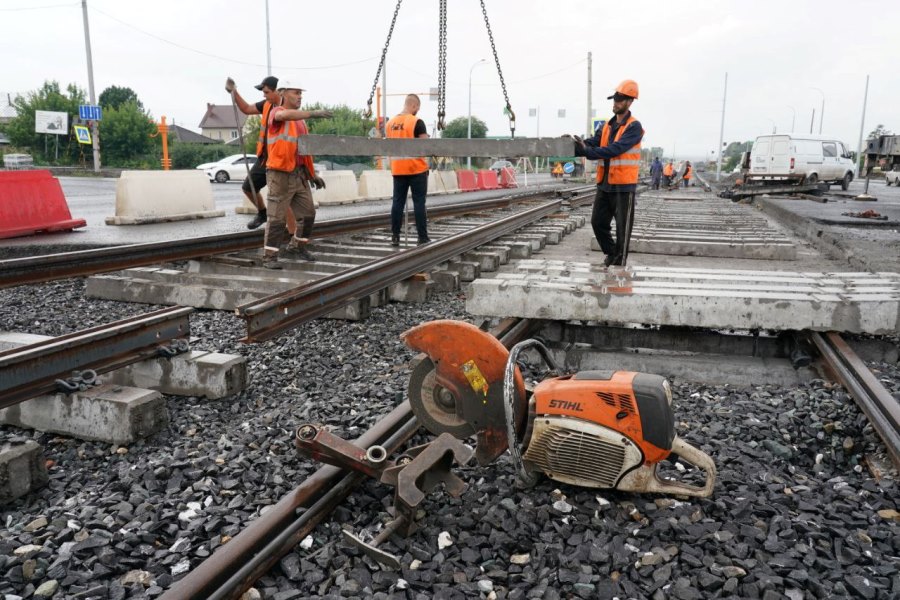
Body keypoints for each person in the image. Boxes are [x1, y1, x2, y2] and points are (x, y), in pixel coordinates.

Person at [261, 79, 332, 268]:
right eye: (296, 92)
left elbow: (303, 152)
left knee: (308, 214)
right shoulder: (276, 112)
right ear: (283, 93)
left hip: (299, 174)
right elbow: (285, 116)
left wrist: (312, 174)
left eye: (301, 93)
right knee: (277, 218)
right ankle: (270, 257)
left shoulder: (300, 122)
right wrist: (313, 113)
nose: (300, 96)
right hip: (280, 174)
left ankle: (296, 247)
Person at [573, 79, 644, 267]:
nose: (616, 102)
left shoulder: (634, 127)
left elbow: (615, 149)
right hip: (605, 185)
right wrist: (577, 145)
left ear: (630, 102)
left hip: (623, 186)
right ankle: (611, 253)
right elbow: (593, 142)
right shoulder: (606, 126)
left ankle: (619, 263)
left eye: (620, 99)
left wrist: (587, 152)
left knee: (623, 229)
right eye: (615, 99)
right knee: (597, 223)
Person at [225, 75, 281, 230]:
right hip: (265, 158)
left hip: (281, 159)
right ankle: (263, 213)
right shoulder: (266, 105)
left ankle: (291, 235)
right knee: (248, 187)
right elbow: (246, 109)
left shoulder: (288, 108)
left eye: (267, 92)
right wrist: (234, 92)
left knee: (282, 197)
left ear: (279, 91)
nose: (264, 95)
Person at [386, 94, 430, 246]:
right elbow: (425, 145)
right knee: (419, 203)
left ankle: (395, 236)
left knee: (397, 202)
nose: (417, 110)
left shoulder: (390, 123)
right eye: (417, 108)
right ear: (414, 106)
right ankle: (422, 237)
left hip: (398, 169)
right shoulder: (417, 121)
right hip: (416, 168)